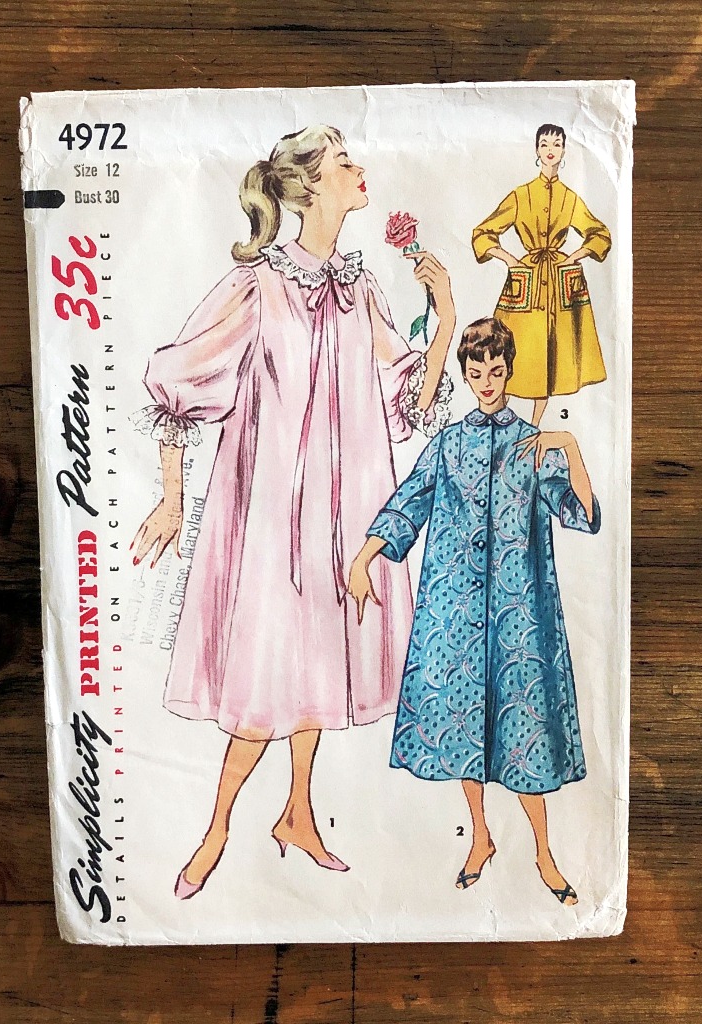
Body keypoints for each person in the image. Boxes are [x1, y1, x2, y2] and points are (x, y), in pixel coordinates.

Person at [131, 125, 455, 899]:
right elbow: (179, 381)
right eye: (345, 161)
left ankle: (298, 813)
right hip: (271, 517)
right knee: (266, 676)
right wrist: (172, 497)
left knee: (322, 664)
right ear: (309, 187)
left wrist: (444, 318)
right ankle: (215, 828)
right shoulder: (258, 285)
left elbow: (409, 400)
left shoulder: (361, 287)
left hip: (344, 515)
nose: (361, 167)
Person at [348, 317, 599, 903]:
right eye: (477, 371)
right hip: (455, 607)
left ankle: (544, 853)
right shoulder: (447, 444)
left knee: (524, 732)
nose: (487, 381)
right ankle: (480, 836)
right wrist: (363, 559)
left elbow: (583, 515)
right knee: (464, 725)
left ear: (510, 372)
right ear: (465, 375)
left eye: (496, 370)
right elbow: (408, 503)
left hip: (518, 611)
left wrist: (570, 448)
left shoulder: (533, 445)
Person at [471, 123, 611, 427]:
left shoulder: (570, 198)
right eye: (545, 144)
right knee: (511, 350)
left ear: (564, 151)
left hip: (560, 283)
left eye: (557, 144)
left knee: (550, 359)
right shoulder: (521, 195)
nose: (550, 150)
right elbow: (482, 233)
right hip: (528, 281)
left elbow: (600, 234)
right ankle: (497, 417)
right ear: (536, 149)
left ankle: (533, 427)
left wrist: (574, 257)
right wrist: (510, 260)